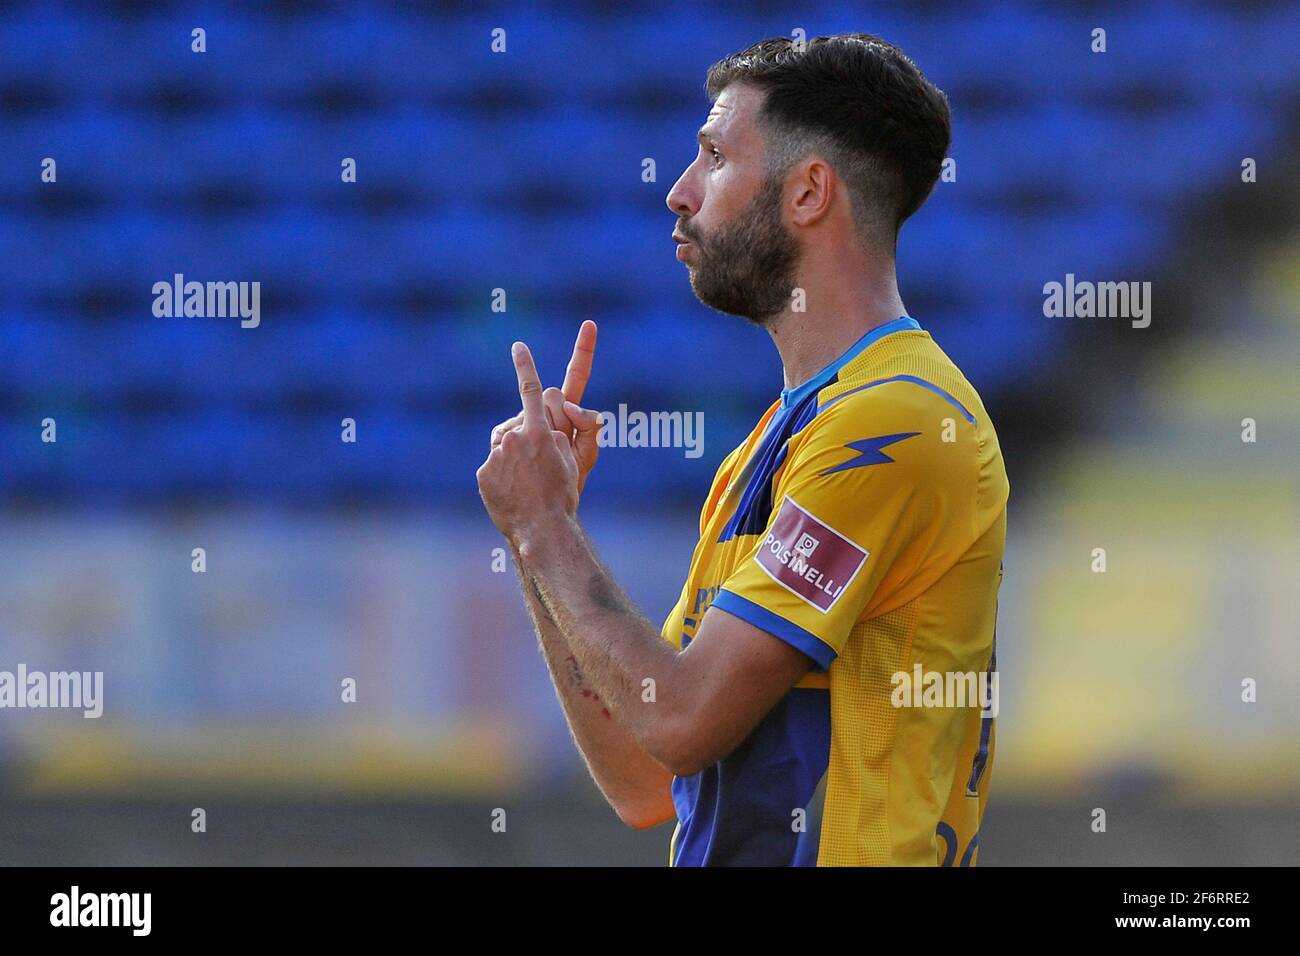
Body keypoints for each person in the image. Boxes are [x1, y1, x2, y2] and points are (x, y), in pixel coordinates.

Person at [477, 33, 1008, 866]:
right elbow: (646, 779)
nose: (679, 193)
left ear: (807, 192)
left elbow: (681, 720)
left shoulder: (897, 421)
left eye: (714, 156)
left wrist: (547, 528)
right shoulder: (771, 447)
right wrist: (536, 533)